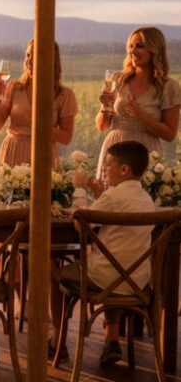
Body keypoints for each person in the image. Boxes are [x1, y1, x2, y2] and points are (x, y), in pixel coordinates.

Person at [52, 140, 155, 367]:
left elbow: (80, 221)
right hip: (137, 282)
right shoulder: (147, 200)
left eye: (108, 165)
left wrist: (80, 187)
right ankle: (112, 340)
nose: (104, 170)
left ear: (124, 169)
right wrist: (99, 195)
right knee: (117, 265)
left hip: (104, 279)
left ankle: (57, 341)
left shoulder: (112, 198)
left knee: (55, 273)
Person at [96, 26, 180, 180]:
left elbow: (169, 134)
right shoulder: (117, 80)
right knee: (110, 201)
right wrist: (105, 107)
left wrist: (141, 116)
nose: (133, 51)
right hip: (114, 149)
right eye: (131, 46)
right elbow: (102, 126)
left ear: (155, 49)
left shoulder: (169, 87)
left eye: (140, 46)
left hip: (146, 153)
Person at [0, 40, 77, 167]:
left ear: (50, 59)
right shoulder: (14, 87)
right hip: (13, 153)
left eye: (35, 56)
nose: (29, 60)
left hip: (43, 156)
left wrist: (40, 124)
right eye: (28, 55)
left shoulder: (64, 94)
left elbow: (66, 138)